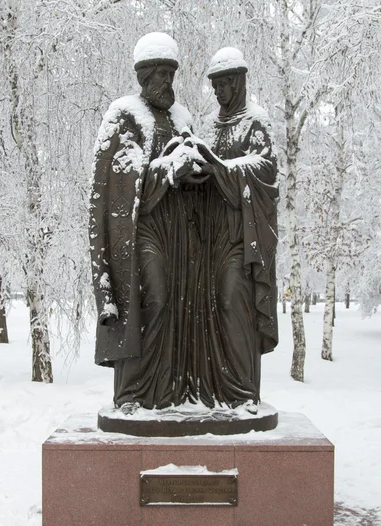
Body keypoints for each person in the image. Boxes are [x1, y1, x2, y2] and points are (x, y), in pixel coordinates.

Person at [89, 33, 204, 411]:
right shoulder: (125, 115)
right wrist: (168, 169)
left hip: (180, 230)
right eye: (161, 76)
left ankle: (169, 389)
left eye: (172, 75)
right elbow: (121, 184)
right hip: (142, 231)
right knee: (154, 297)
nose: (168, 84)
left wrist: (196, 170)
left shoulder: (182, 117)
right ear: (144, 78)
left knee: (179, 304)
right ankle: (135, 390)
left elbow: (192, 164)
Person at [187, 47, 279, 410]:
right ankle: (214, 390)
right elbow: (205, 165)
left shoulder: (256, 121)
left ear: (238, 82)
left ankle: (243, 392)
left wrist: (221, 168)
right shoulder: (210, 124)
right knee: (207, 308)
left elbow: (266, 170)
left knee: (231, 302)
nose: (218, 92)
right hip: (209, 234)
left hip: (241, 235)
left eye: (223, 84)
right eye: (214, 86)